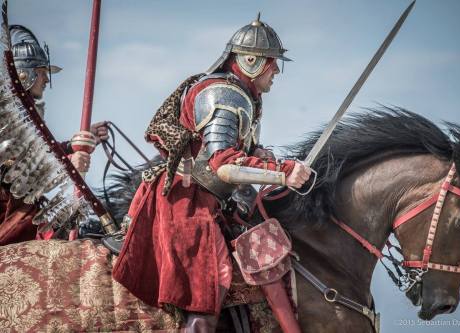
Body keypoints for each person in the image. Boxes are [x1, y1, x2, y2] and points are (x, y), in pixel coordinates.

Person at [113, 15, 311, 332]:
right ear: (251, 61)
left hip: (211, 202)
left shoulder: (238, 94)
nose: (275, 72)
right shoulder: (224, 95)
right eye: (272, 64)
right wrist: (283, 173)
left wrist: (260, 155)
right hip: (186, 205)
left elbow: (229, 153)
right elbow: (225, 165)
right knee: (206, 293)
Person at [0, 25, 109, 245]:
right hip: (9, 215)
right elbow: (14, 167)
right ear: (24, 74)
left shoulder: (25, 110)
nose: (46, 80)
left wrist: (74, 145)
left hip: (26, 209)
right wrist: (68, 165)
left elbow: (39, 151)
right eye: (41, 73)